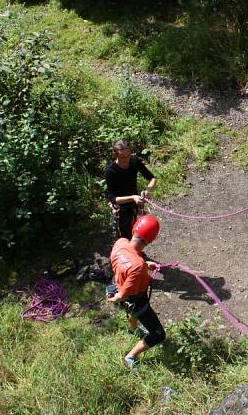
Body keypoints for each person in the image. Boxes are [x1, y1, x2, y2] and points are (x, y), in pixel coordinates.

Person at [107, 215, 166, 368]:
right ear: (151, 240)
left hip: (117, 285)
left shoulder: (120, 243)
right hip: (135, 300)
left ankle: (132, 329)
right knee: (158, 334)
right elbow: (122, 296)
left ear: (134, 229)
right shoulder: (138, 267)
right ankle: (130, 357)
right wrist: (114, 299)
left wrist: (145, 264)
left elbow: (127, 262)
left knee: (130, 311)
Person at [105, 139, 156, 240]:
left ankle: (134, 252)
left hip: (134, 204)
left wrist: (147, 190)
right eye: (122, 157)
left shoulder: (134, 161)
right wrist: (132, 197)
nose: (126, 159)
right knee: (123, 237)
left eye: (128, 155)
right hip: (120, 208)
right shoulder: (111, 171)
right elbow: (112, 198)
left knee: (136, 231)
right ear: (115, 155)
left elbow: (152, 178)